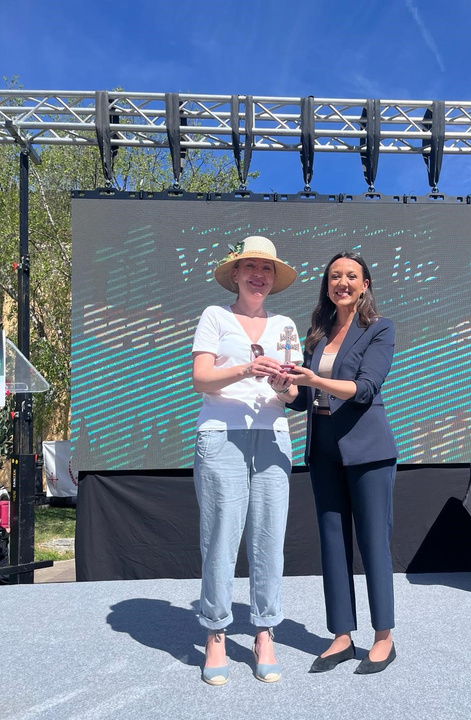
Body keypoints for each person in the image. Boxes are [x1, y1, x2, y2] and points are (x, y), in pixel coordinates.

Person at [277, 251, 398, 675]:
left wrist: (313, 379)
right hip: (323, 446)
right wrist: (289, 388)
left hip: (368, 451)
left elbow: (364, 390)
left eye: (350, 276)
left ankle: (384, 637)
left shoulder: (379, 329)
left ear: (365, 284)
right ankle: (342, 636)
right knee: (332, 542)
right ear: (326, 285)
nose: (341, 283)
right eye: (334, 277)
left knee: (372, 542)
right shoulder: (317, 334)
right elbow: (307, 400)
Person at [191, 235, 302, 685]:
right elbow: (201, 378)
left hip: (273, 436)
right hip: (221, 435)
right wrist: (245, 369)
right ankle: (215, 634)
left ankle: (264, 632)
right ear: (234, 274)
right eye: (251, 267)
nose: (259, 274)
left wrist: (282, 386)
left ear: (273, 280)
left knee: (269, 540)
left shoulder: (287, 325)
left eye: (267, 268)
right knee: (220, 538)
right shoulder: (215, 316)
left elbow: (294, 392)